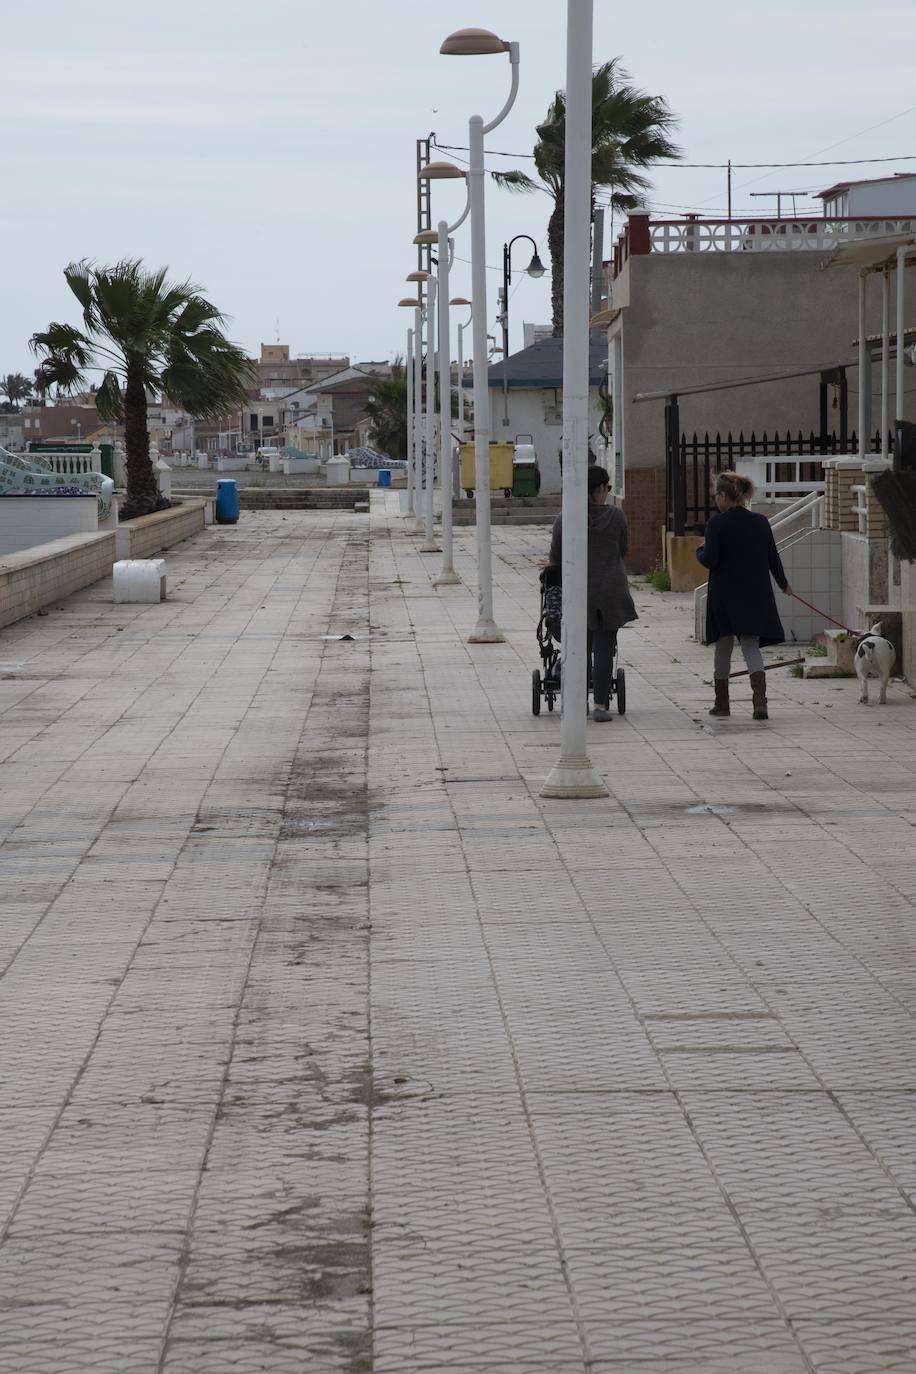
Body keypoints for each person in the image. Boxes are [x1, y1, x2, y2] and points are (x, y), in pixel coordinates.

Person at [696, 470, 790, 721]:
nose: (716, 499)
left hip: (724, 595)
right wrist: (783, 584)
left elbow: (710, 559)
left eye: (716, 495)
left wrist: (699, 552)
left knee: (723, 647)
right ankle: (760, 703)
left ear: (725, 496)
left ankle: (722, 703)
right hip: (754, 594)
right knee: (750, 646)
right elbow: (773, 557)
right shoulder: (760, 522)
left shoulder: (716, 524)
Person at [548, 465, 636, 722]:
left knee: (579, 648)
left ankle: (577, 703)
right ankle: (600, 705)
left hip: (578, 591)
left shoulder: (565, 519)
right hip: (610, 590)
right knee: (605, 649)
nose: (607, 493)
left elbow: (555, 557)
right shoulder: (617, 517)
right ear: (598, 490)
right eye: (607, 488)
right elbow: (623, 549)